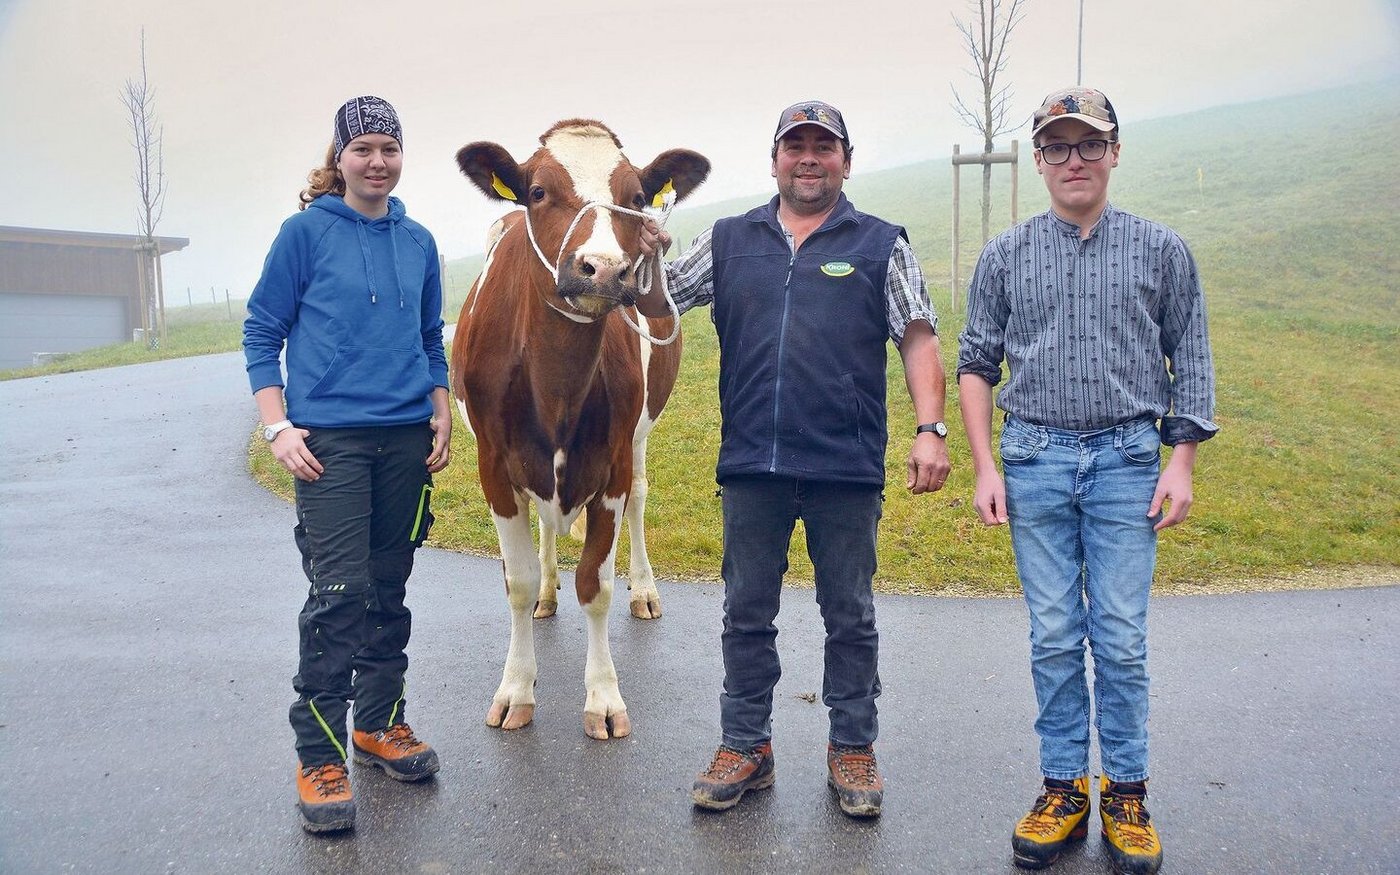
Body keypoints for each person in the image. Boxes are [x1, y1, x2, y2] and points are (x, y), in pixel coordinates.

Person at [637, 100, 951, 819]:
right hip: (752, 463)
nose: (808, 158)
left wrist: (930, 427)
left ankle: (852, 746)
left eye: (823, 147)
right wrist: (642, 249)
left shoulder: (879, 243)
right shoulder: (729, 239)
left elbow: (919, 336)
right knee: (746, 612)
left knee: (851, 614)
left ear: (846, 158)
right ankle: (746, 743)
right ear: (774, 157)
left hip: (844, 464)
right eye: (795, 146)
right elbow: (657, 301)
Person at [957, 87, 1217, 874]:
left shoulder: (1162, 250)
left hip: (1127, 464)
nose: (1075, 160)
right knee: (1054, 634)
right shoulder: (1004, 255)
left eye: (1089, 144)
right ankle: (1064, 786)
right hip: (1033, 461)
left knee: (1122, 637)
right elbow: (976, 362)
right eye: (1058, 147)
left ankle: (1127, 793)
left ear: (1114, 152)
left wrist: (1180, 458)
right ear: (1037, 160)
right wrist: (984, 464)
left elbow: (1191, 359)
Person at [243, 95, 452, 834]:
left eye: (388, 149)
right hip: (328, 444)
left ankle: (380, 722)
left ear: (402, 156)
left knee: (389, 586)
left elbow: (430, 336)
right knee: (338, 592)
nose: (377, 161)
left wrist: (442, 405)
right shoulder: (304, 234)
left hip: (404, 439)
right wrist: (276, 427)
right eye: (362, 148)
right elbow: (262, 332)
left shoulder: (419, 240)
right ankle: (321, 753)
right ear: (339, 159)